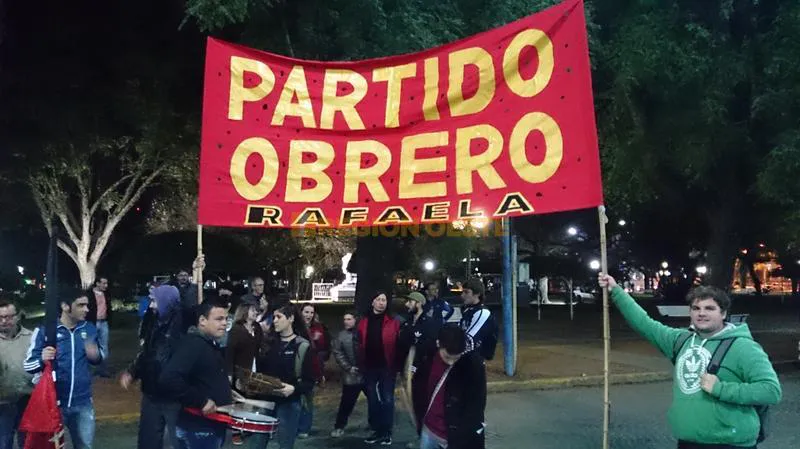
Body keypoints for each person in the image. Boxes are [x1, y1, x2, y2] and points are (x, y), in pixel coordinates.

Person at [598, 273, 782, 449]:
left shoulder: (744, 347)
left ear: (723, 313)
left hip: (730, 443)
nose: (701, 313)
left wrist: (721, 389)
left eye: (709, 308)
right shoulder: (680, 340)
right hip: (688, 441)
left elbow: (771, 390)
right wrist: (616, 290)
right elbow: (645, 323)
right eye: (696, 308)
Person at [25, 289, 104, 449]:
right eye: (81, 305)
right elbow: (28, 365)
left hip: (83, 402)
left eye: (87, 305)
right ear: (65, 306)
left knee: (84, 445)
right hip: (53, 404)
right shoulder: (46, 331)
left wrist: (96, 355)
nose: (86, 309)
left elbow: (98, 357)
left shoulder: (89, 328)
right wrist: (41, 359)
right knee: (54, 447)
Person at [159, 300, 232, 449]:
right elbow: (169, 378)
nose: (224, 323)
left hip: (208, 427)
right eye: (219, 319)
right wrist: (201, 401)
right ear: (202, 321)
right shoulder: (194, 345)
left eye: (226, 319)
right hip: (198, 429)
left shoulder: (208, 344)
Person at [120, 285, 185, 449]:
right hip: (151, 393)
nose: (151, 305)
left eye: (155, 301)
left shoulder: (183, 327)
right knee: (148, 441)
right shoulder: (152, 322)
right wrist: (133, 372)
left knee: (178, 442)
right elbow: (146, 352)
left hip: (174, 397)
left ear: (166, 302)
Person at [248, 305, 315, 449]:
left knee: (285, 443)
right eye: (274, 317)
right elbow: (259, 371)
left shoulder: (302, 346)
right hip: (265, 400)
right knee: (257, 443)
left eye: (279, 317)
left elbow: (309, 381)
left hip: (289, 402)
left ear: (291, 318)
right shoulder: (268, 343)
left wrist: (294, 389)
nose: (275, 321)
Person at [412, 326, 486, 449]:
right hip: (429, 430)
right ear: (438, 344)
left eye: (456, 358)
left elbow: (475, 407)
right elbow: (419, 389)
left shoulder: (473, 366)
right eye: (447, 357)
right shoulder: (427, 356)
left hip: (458, 437)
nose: (451, 362)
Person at [357, 292, 401, 446]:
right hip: (369, 366)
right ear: (372, 302)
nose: (382, 303)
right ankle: (377, 430)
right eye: (379, 300)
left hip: (387, 367)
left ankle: (386, 432)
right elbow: (359, 343)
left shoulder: (393, 321)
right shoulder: (364, 321)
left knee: (387, 399)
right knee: (373, 399)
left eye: (384, 300)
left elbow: (399, 343)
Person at [225, 303, 264, 446]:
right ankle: (236, 431)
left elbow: (261, 346)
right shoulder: (236, 330)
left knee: (251, 399)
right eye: (253, 310)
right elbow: (229, 352)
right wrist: (229, 373)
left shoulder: (257, 328)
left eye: (256, 310)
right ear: (245, 311)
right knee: (239, 401)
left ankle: (247, 426)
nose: (255, 312)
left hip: (254, 368)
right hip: (239, 370)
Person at [0, 298, 33, 449]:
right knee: (3, 442)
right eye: (0, 317)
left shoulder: (32, 338)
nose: (3, 321)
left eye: (8, 317)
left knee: (27, 443)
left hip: (28, 400)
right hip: (2, 403)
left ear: (18, 316)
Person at [297, 303, 330, 439]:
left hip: (311, 369)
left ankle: (304, 428)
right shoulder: (295, 327)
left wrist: (320, 372)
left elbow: (325, 348)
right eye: (306, 312)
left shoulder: (319, 328)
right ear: (301, 312)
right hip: (296, 367)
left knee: (307, 399)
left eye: (311, 312)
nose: (309, 315)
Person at [330, 311, 366, 438]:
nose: (346, 321)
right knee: (346, 403)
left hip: (366, 374)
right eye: (345, 319)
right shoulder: (341, 336)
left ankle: (376, 425)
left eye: (349, 319)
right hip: (351, 375)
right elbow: (338, 353)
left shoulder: (363, 333)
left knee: (375, 402)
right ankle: (339, 426)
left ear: (355, 320)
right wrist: (349, 368)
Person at [458, 279, 498, 360]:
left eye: (466, 292)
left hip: (474, 360)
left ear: (477, 294)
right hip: (466, 357)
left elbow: (470, 340)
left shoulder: (482, 312)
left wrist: (449, 353)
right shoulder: (467, 310)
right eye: (462, 292)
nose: (462, 295)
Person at [88, 277, 112, 377]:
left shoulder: (106, 294)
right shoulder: (89, 294)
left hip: (103, 323)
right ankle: (91, 370)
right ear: (97, 283)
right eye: (104, 283)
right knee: (91, 346)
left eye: (106, 283)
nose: (106, 286)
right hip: (93, 323)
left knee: (104, 347)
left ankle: (103, 369)